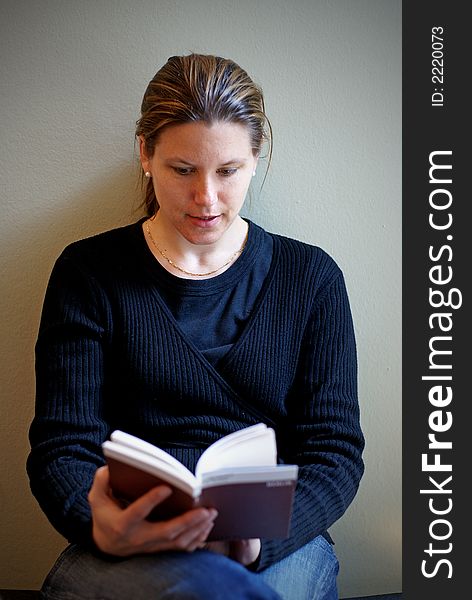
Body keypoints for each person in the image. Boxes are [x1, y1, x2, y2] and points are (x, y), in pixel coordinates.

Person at [27, 53, 365, 600]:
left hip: (270, 544)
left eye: (227, 171)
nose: (205, 198)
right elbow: (61, 444)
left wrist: (257, 541)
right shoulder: (88, 273)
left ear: (256, 157)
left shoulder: (312, 279)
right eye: (182, 170)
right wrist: (99, 527)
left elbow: (335, 453)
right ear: (145, 153)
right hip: (125, 544)